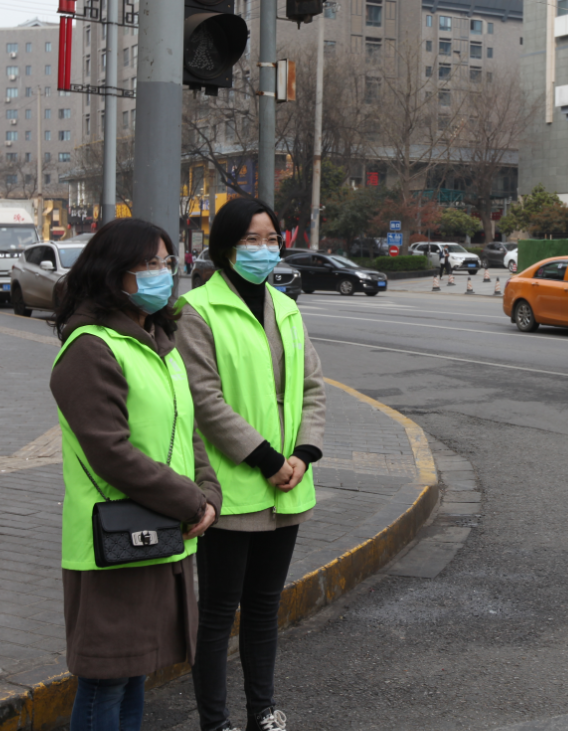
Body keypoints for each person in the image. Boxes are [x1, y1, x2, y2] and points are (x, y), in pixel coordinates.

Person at [49, 219, 222, 731]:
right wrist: (190, 502)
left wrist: (210, 491)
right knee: (105, 680)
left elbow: (187, 427)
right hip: (112, 542)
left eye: (167, 262)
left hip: (159, 531)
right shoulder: (90, 348)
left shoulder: (159, 342)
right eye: (148, 264)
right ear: (113, 272)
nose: (162, 273)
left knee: (133, 676)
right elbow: (112, 452)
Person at [176, 197, 326, 731]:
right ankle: (215, 722)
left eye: (271, 240)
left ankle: (263, 711)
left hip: (287, 486)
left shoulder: (286, 307)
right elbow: (205, 400)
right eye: (251, 241)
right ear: (225, 248)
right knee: (219, 613)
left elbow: (312, 388)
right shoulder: (196, 310)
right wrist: (266, 459)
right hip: (233, 489)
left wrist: (302, 455)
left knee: (264, 608)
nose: (264, 250)